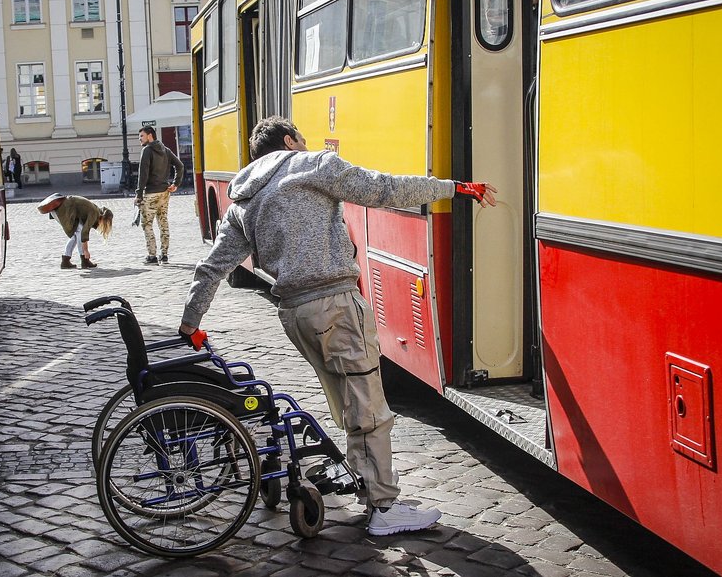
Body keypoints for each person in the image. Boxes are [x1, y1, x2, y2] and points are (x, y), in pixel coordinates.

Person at [178, 116, 497, 536]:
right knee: (368, 406)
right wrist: (451, 187)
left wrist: (190, 322)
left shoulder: (243, 199)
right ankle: (384, 508)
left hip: (294, 314)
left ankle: (365, 479)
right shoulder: (314, 165)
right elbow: (384, 189)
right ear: (289, 141)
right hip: (335, 304)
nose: (307, 143)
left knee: (347, 399)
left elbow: (214, 265)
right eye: (301, 138)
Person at [135, 126, 184, 264]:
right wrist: (175, 184)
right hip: (164, 193)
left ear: (150, 136)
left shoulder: (147, 150)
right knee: (163, 222)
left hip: (151, 194)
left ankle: (152, 255)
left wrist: (139, 194)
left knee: (147, 224)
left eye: (142, 136)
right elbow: (180, 165)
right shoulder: (165, 150)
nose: (140, 139)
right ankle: (164, 254)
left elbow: (142, 175)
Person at [49, 195, 113, 269]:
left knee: (74, 235)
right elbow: (84, 232)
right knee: (80, 231)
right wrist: (86, 251)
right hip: (62, 210)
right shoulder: (94, 213)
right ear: (104, 218)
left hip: (58, 210)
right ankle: (84, 260)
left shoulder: (95, 210)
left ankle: (66, 261)